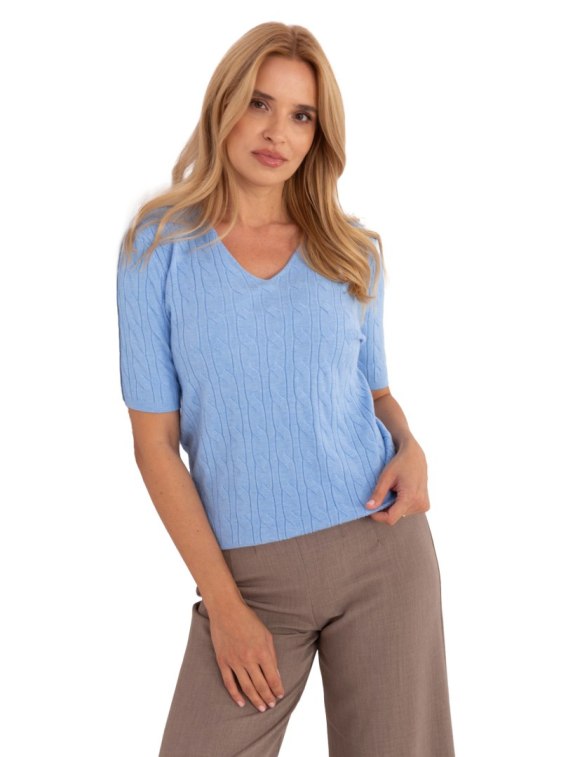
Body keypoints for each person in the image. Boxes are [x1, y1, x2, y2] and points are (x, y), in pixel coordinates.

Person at [116, 21, 455, 757]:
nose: (278, 132)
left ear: (318, 135)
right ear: (224, 105)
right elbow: (154, 445)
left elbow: (375, 396)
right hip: (248, 579)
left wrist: (411, 445)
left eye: (302, 115)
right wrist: (225, 605)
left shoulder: (352, 252)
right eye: (260, 103)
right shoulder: (158, 247)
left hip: (383, 553)